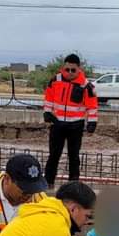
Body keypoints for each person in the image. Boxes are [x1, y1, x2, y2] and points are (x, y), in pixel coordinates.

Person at [42, 53, 98, 187]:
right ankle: (48, 182)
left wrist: (92, 122)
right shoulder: (55, 80)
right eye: (67, 70)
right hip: (57, 123)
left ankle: (73, 184)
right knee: (54, 155)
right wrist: (47, 112)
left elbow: (92, 105)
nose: (70, 73)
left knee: (74, 156)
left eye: (73, 70)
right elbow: (48, 98)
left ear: (79, 68)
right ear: (63, 68)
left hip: (76, 125)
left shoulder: (86, 85)